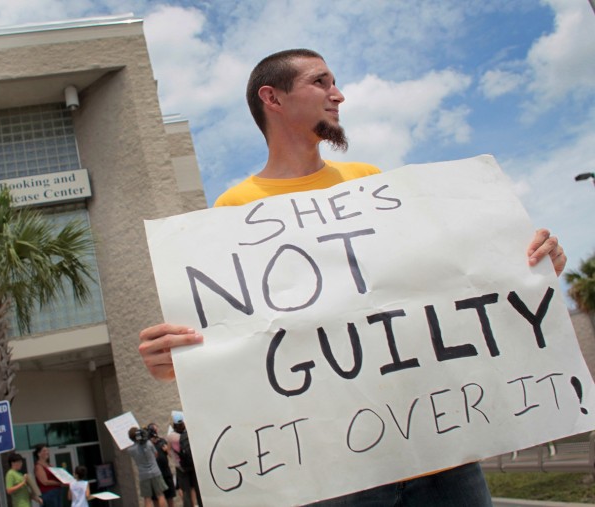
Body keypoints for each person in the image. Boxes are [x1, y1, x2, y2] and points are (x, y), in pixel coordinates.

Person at [138, 49, 568, 506]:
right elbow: (241, 340)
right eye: (320, 82)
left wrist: (523, 271)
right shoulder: (234, 210)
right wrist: (176, 361)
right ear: (273, 98)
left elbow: (432, 290)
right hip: (344, 474)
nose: (338, 95)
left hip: (443, 457)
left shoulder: (370, 183)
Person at [126, 426, 169, 507]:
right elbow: (156, 454)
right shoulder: (149, 443)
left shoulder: (131, 450)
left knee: (147, 498)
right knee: (160, 494)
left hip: (143, 475)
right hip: (155, 472)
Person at [167, 414, 202, 507]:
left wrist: (176, 459)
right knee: (198, 489)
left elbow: (168, 450)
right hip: (192, 465)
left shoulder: (171, 437)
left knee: (186, 491)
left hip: (181, 467)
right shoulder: (189, 434)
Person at [147, 423, 176, 507]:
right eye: (154, 430)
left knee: (169, 495)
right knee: (156, 497)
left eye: (156, 429)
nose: (156, 431)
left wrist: (167, 450)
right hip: (155, 474)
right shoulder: (148, 444)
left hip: (166, 472)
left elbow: (171, 455)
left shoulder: (162, 441)